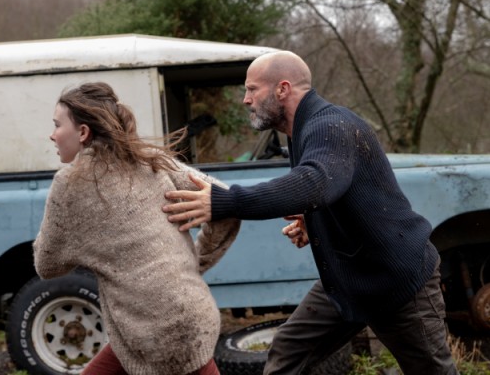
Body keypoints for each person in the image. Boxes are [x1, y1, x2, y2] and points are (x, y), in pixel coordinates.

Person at [162, 51, 458, 375]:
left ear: (282, 89)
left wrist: (225, 201)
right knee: (287, 351)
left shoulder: (329, 126)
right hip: (350, 278)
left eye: (252, 89)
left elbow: (315, 183)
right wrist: (315, 222)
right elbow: (339, 189)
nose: (246, 100)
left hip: (396, 279)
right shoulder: (302, 131)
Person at [33, 82, 241, 375]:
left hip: (154, 330)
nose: (52, 135)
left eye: (57, 125)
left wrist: (71, 240)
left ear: (83, 132)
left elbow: (47, 265)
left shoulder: (69, 184)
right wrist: (192, 265)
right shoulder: (152, 162)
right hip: (179, 316)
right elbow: (226, 203)